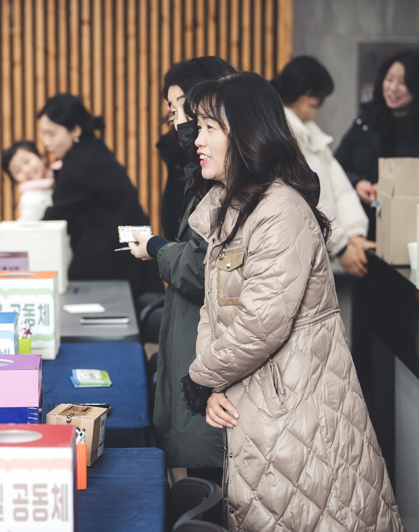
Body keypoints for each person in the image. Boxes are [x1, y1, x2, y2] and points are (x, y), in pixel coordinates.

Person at [180, 72, 403, 531]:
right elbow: (213, 311)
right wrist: (211, 384)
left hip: (298, 414)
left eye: (209, 128)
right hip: (258, 405)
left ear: (244, 132)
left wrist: (201, 378)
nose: (197, 140)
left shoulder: (280, 210)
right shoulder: (231, 207)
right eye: (197, 127)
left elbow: (261, 322)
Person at [129, 57, 235, 498]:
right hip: (196, 341)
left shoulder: (230, 187)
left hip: (212, 352)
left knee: (210, 483)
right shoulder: (204, 174)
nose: (179, 122)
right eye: (173, 111)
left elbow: (199, 268)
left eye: (182, 109)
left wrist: (157, 248)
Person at [39, 93, 160, 298]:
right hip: (130, 253)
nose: (46, 142)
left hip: (110, 261)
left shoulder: (79, 164)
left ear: (75, 130)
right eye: (43, 134)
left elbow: (56, 216)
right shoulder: (94, 151)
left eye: (51, 134)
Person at [272, 56, 375, 277]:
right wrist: (341, 246)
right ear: (308, 96)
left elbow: (340, 188)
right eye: (320, 99)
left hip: (320, 248)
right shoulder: (280, 134)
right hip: (293, 253)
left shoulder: (311, 134)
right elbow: (307, 200)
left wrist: (354, 234)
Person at [335, 50, 419, 241]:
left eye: (404, 82)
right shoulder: (366, 121)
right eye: (389, 79)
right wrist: (357, 183)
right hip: (365, 230)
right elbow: (337, 166)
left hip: (408, 232)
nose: (393, 88)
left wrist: (394, 187)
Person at [1, 140, 56, 221]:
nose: (26, 170)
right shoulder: (29, 199)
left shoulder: (64, 174)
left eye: (27, 161)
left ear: (42, 156)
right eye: (17, 171)